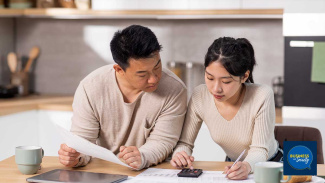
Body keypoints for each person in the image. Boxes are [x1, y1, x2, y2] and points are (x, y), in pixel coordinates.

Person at [58, 25, 187, 170]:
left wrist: (142, 157)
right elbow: (83, 144)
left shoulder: (174, 89)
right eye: (142, 74)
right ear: (119, 70)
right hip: (105, 172)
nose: (154, 78)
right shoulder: (91, 88)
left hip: (154, 171)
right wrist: (75, 156)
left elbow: (163, 141)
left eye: (157, 67)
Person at [170, 37, 283, 180]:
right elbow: (185, 143)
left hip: (271, 165)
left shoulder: (262, 95)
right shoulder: (200, 95)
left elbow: (260, 150)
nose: (216, 89)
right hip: (234, 166)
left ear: (244, 76)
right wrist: (180, 154)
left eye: (226, 81)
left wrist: (247, 166)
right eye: (210, 78)